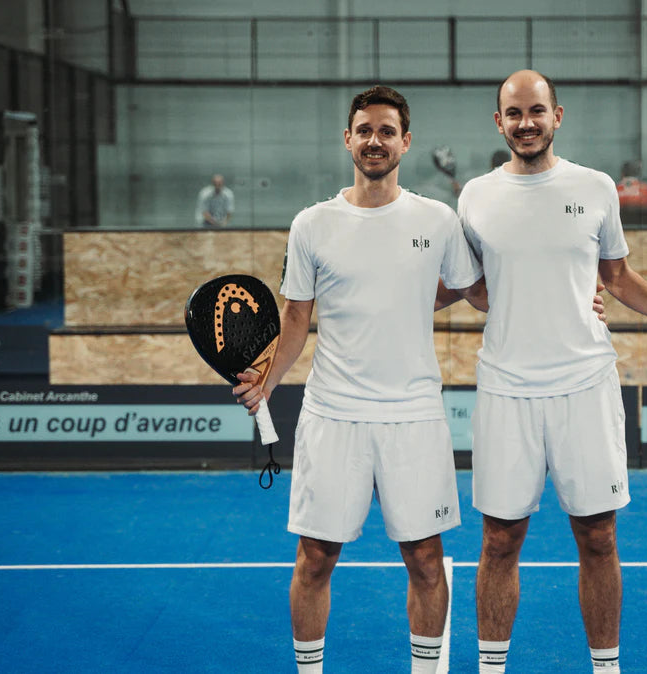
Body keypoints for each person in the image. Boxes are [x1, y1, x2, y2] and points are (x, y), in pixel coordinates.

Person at [456, 69, 647, 674]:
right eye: (514, 114)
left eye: (536, 111)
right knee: (499, 541)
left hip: (585, 387)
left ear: (558, 115)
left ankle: (607, 669)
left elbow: (618, 279)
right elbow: (472, 286)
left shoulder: (598, 187)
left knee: (599, 537)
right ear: (499, 123)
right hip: (506, 390)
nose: (526, 123)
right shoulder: (474, 195)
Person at [231, 85, 486, 673]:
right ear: (348, 139)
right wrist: (266, 380)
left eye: (387, 131)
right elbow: (297, 317)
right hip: (333, 415)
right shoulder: (312, 224)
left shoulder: (437, 220)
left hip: (415, 417)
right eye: (365, 130)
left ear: (406, 141)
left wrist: (573, 298)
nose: (375, 140)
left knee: (426, 558)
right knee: (314, 558)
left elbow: (471, 291)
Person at [616, 159, 647, 226]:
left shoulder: (614, 191)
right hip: (645, 234)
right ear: (637, 173)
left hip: (620, 233)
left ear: (622, 174)